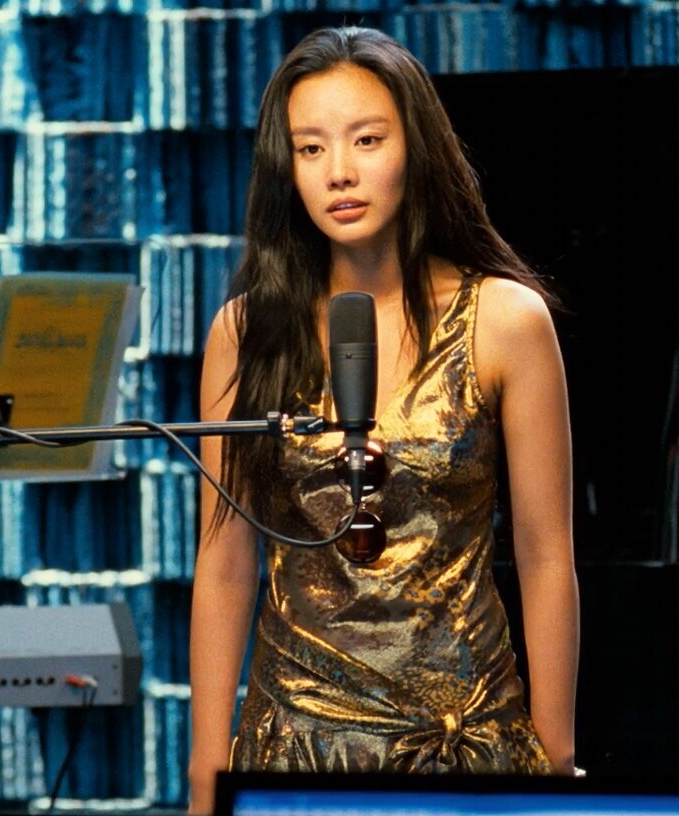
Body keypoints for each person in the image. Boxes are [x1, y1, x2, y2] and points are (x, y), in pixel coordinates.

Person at [187, 26, 580, 814]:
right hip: (295, 746)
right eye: (310, 149)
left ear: (416, 147)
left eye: (367, 140)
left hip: (464, 743)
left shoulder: (505, 320)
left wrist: (554, 750)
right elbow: (225, 560)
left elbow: (545, 552)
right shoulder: (246, 330)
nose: (339, 171)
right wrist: (206, 769)